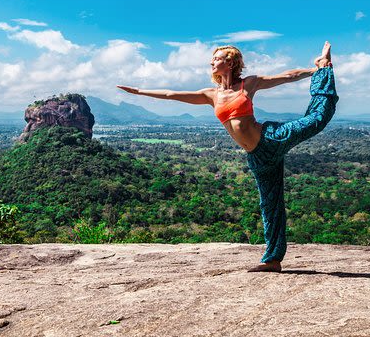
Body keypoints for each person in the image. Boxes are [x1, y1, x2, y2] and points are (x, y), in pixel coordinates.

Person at [117, 41, 338, 272]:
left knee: (316, 120)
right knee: (270, 204)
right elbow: (172, 94)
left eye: (217, 58)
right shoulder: (211, 94)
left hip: (272, 138)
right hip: (258, 156)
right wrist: (139, 91)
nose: (212, 62)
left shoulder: (248, 84)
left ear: (230, 62)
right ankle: (273, 259)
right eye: (212, 59)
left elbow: (287, 76)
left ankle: (325, 68)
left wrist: (317, 70)